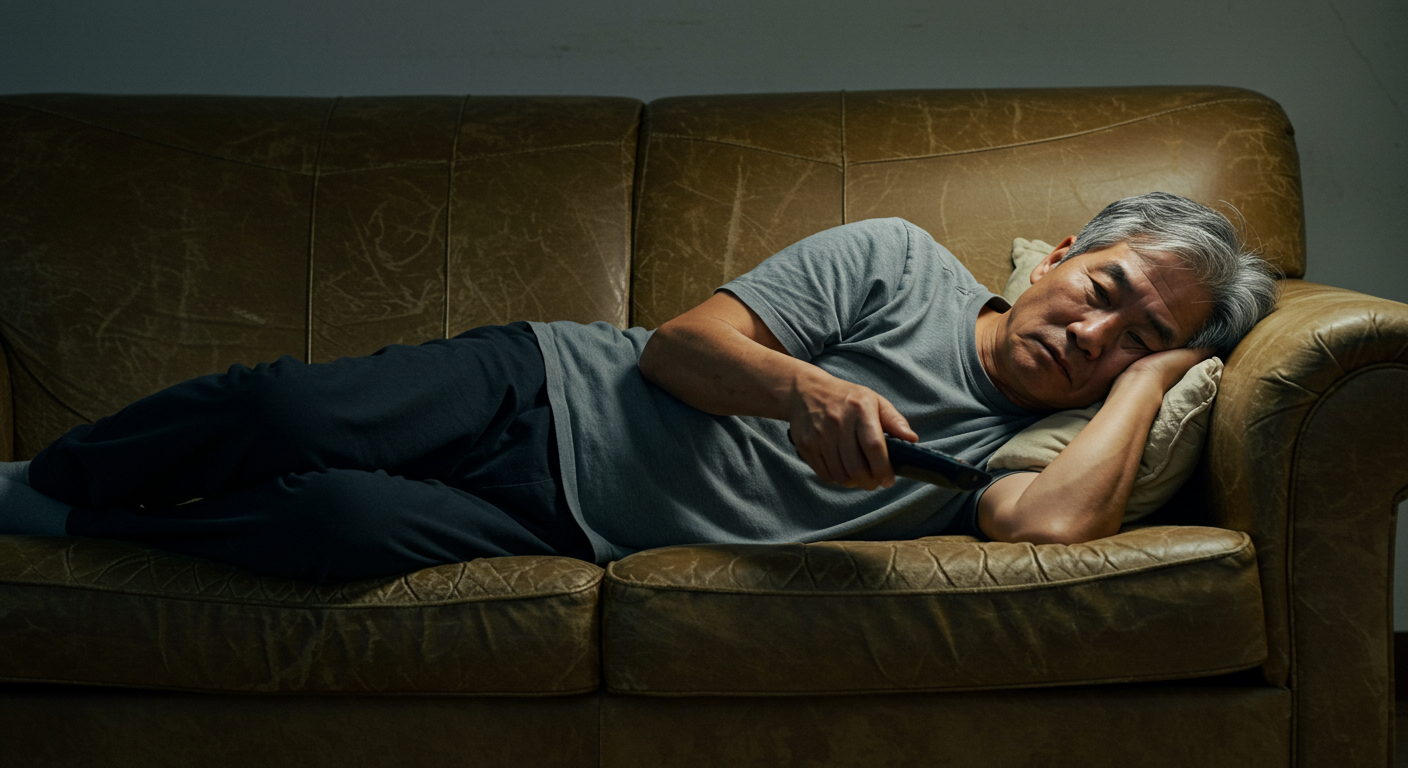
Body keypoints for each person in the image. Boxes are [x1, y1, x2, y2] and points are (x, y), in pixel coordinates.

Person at [0, 192, 1280, 583]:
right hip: (544, 388)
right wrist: (801, 393)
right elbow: (679, 349)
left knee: (333, 524)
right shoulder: (896, 261)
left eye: (1136, 337)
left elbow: (1043, 529)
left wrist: (1153, 380)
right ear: (1058, 255)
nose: (1093, 333)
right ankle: (42, 481)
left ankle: (81, 525)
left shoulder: (1049, 440)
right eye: (1105, 288)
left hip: (565, 526)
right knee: (285, 412)